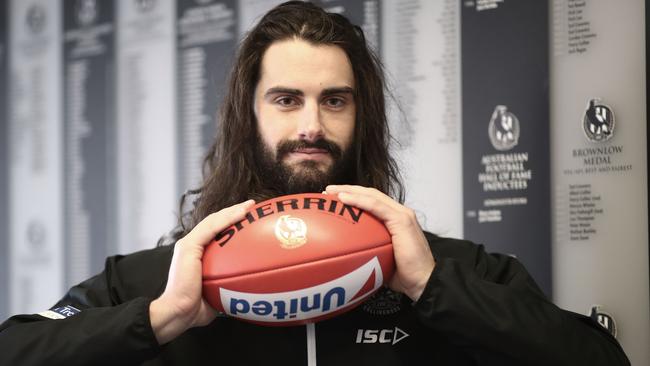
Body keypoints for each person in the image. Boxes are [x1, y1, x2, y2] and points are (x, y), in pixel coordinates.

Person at [0, 2, 630, 365]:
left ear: (364, 117)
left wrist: (432, 287)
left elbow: (601, 359)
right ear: (248, 115)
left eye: (335, 100)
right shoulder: (159, 280)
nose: (311, 126)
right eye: (285, 99)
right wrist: (158, 320)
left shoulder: (446, 269)